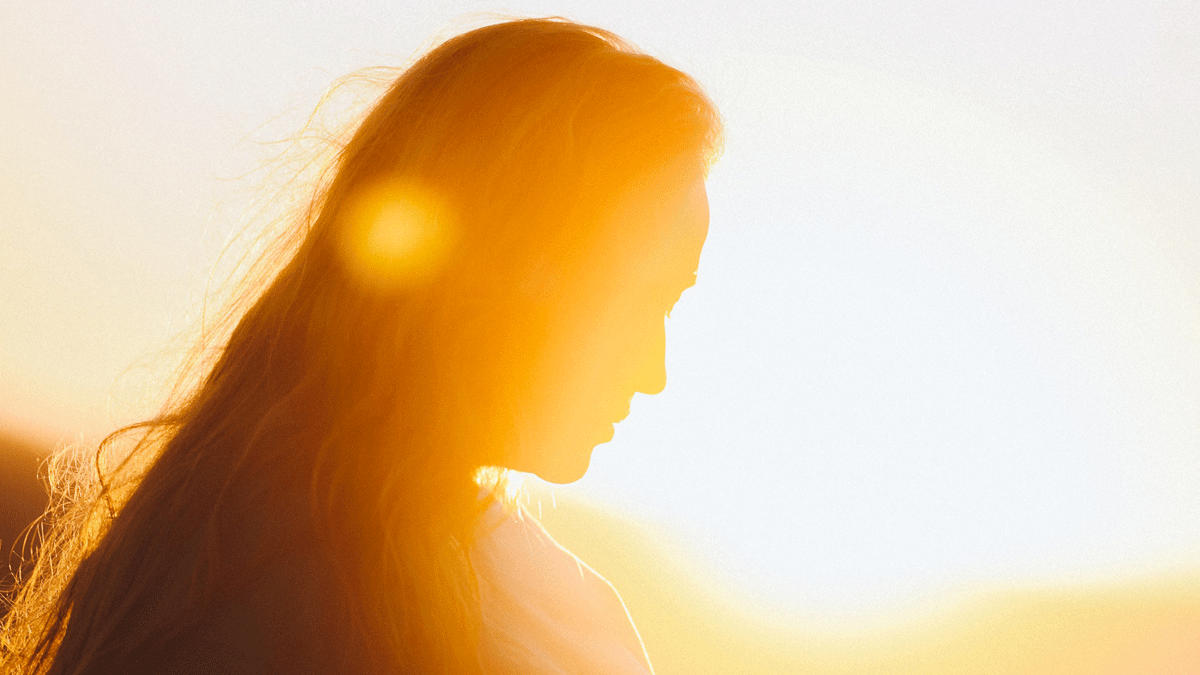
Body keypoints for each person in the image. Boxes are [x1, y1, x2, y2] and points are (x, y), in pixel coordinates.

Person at [0, 17, 721, 675]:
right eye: (641, 298)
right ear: (516, 268)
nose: (653, 372)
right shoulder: (346, 589)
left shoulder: (194, 544)